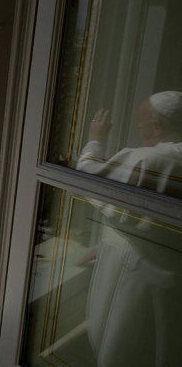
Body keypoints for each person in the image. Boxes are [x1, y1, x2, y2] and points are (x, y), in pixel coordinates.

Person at [76, 91, 182, 366]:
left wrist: (95, 138)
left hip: (131, 268)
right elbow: (154, 225)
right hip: (166, 269)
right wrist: (102, 246)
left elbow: (86, 177)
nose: (138, 126)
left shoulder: (147, 161)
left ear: (157, 127)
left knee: (116, 340)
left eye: (142, 121)